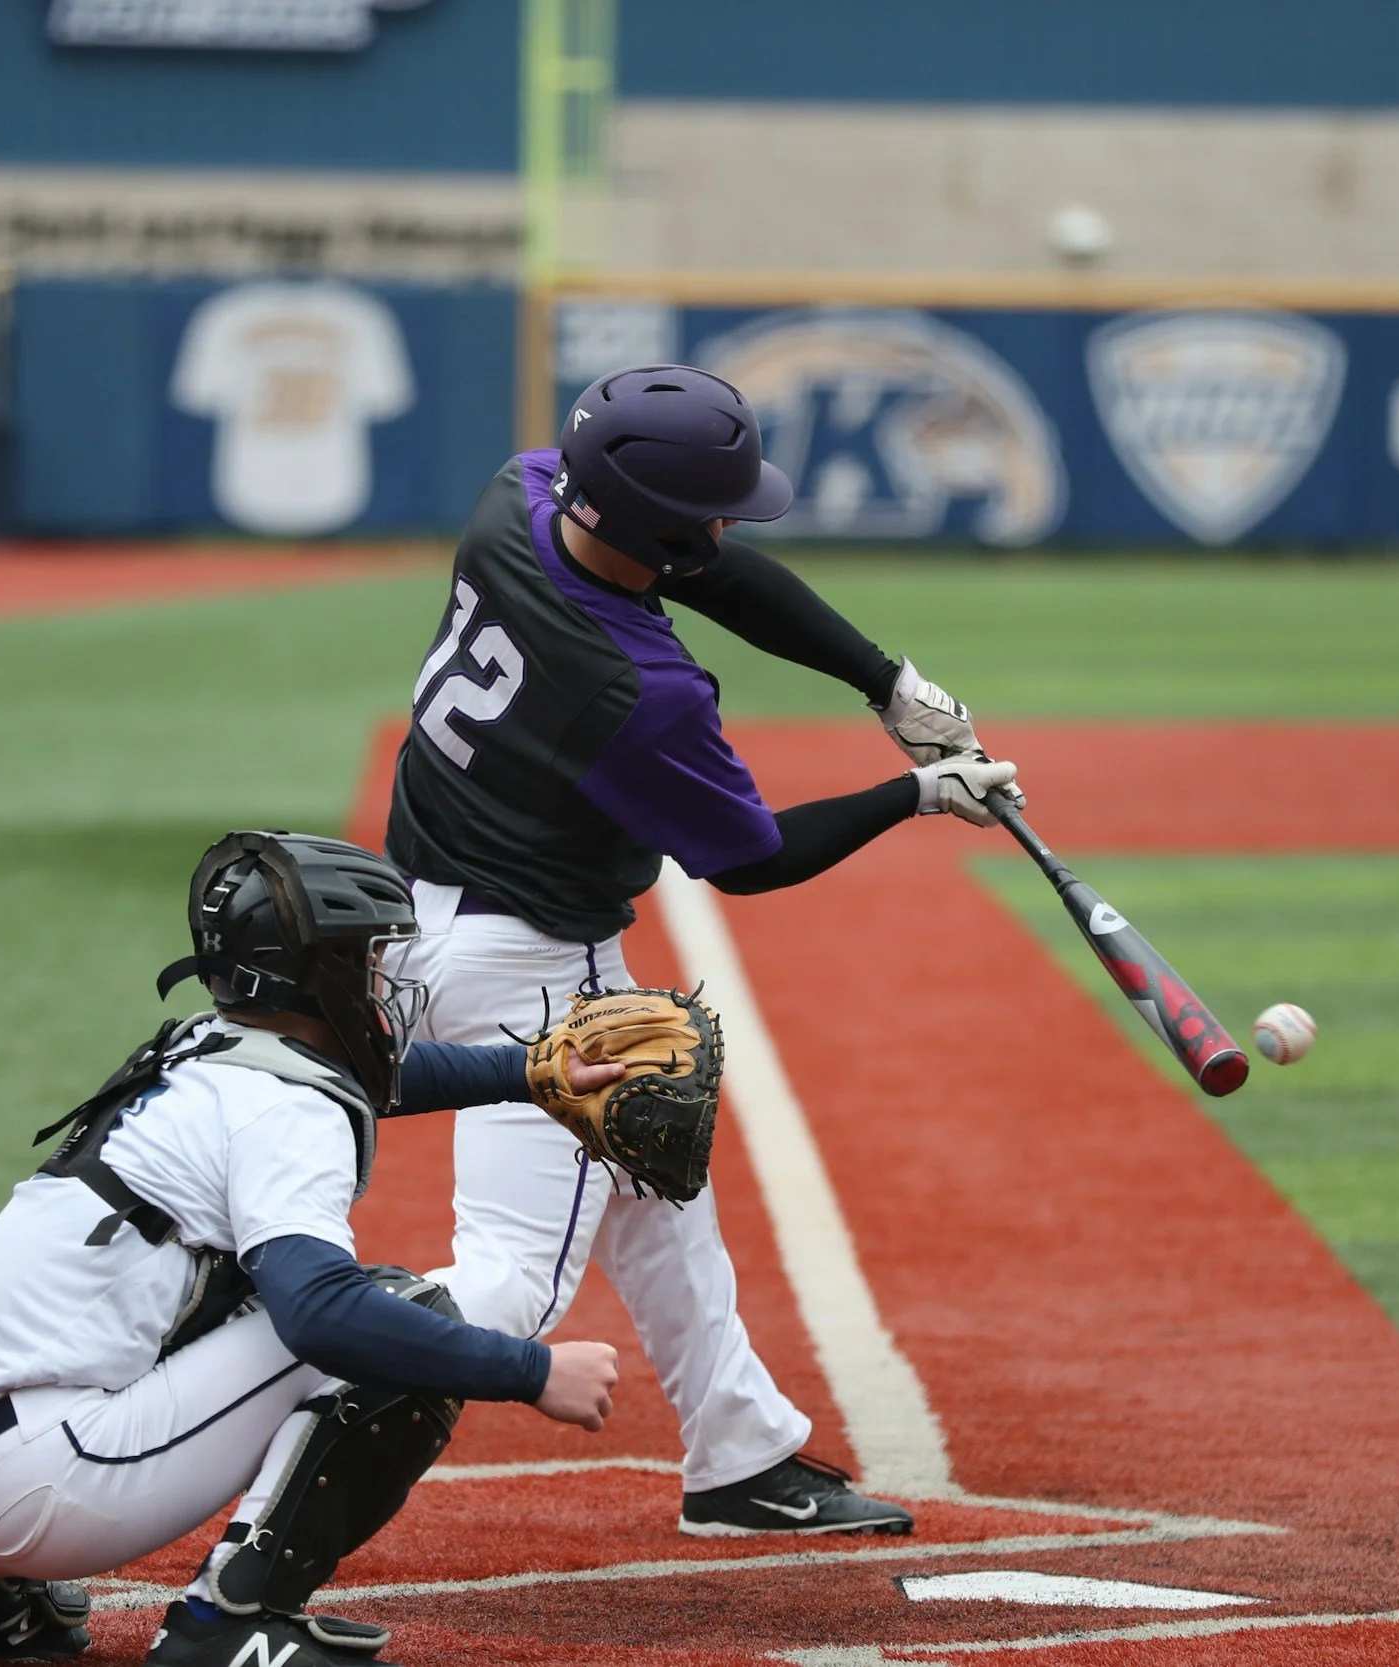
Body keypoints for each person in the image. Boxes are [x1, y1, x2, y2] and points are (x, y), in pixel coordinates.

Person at [384, 364, 1019, 1537]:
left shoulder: (516, 498)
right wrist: (918, 791)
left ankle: (739, 1450)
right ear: (659, 528)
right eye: (716, 507)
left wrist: (882, 679)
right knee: (509, 1284)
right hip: (532, 968)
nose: (732, 523)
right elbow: (751, 857)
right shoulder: (641, 692)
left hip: (413, 919)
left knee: (654, 1176)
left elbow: (705, 562)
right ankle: (265, 1370)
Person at [0, 831, 632, 1667]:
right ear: (322, 975)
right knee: (389, 1316)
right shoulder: (284, 1114)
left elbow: (384, 1076)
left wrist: (533, 1071)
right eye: (370, 957)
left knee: (224, 1284)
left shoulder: (208, 1045)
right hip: (44, 1486)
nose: (387, 979)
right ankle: (231, 1618)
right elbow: (322, 1317)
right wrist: (533, 1373)